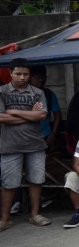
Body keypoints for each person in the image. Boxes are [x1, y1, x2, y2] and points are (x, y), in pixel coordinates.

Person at [0, 58, 51, 231]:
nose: (22, 77)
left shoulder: (37, 93)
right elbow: (0, 117)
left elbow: (42, 116)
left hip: (35, 144)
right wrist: (30, 114)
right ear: (10, 73)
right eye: (18, 74)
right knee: (9, 183)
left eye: (26, 74)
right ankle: (5, 219)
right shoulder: (2, 92)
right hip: (10, 145)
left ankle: (35, 215)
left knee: (36, 180)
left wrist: (13, 111)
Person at [29, 65, 62, 151]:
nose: (41, 80)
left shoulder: (49, 94)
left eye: (43, 77)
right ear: (29, 77)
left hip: (45, 136)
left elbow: (57, 115)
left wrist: (53, 133)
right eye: (37, 77)